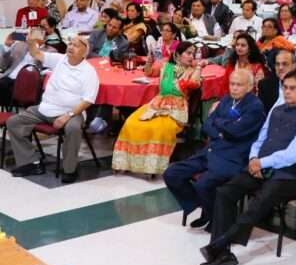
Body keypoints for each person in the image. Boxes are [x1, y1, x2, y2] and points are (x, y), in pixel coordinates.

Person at [198, 70, 296, 265]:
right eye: (285, 88)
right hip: (259, 167)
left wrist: (262, 162)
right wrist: (254, 158)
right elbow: (261, 138)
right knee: (225, 192)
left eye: (293, 88)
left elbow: (295, 154)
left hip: (286, 176)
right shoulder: (277, 110)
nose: (287, 92)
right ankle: (223, 253)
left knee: (258, 203)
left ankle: (219, 245)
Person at [163, 70, 266, 229]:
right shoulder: (226, 100)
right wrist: (223, 127)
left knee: (203, 184)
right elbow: (207, 125)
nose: (234, 88)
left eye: (239, 85)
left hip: (233, 157)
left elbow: (236, 131)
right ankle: (206, 208)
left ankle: (214, 217)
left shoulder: (255, 107)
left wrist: (219, 123)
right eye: (232, 84)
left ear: (250, 86)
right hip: (212, 150)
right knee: (172, 173)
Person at [7, 34, 98, 183]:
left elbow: (88, 100)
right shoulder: (60, 59)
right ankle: (31, 162)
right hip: (46, 108)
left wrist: (67, 115)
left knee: (73, 128)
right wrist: (31, 43)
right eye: (70, 44)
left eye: (75, 45)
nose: (70, 47)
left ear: (84, 52)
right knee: (14, 122)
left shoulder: (89, 72)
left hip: (72, 112)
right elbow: (36, 53)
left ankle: (70, 169)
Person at [111, 42, 203, 175]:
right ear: (177, 54)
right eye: (188, 53)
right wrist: (149, 62)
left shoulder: (192, 71)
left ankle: (152, 167)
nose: (191, 57)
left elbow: (194, 83)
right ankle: (125, 162)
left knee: (159, 129)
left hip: (177, 108)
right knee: (131, 122)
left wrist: (199, 66)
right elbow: (148, 73)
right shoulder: (165, 66)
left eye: (193, 54)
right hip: (156, 103)